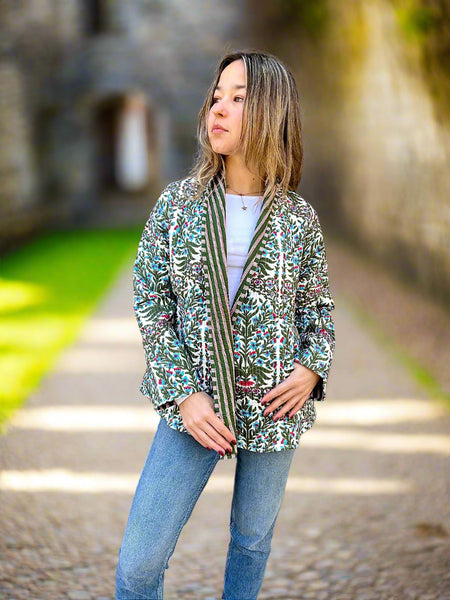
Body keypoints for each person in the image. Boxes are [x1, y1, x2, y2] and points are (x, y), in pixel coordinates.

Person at [115, 49, 336, 600]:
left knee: (252, 543)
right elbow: (151, 301)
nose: (218, 108)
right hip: (194, 404)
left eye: (238, 98)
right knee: (140, 563)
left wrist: (311, 369)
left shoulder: (298, 219)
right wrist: (184, 393)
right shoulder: (177, 206)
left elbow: (318, 311)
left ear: (270, 112)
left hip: (275, 405)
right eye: (216, 96)